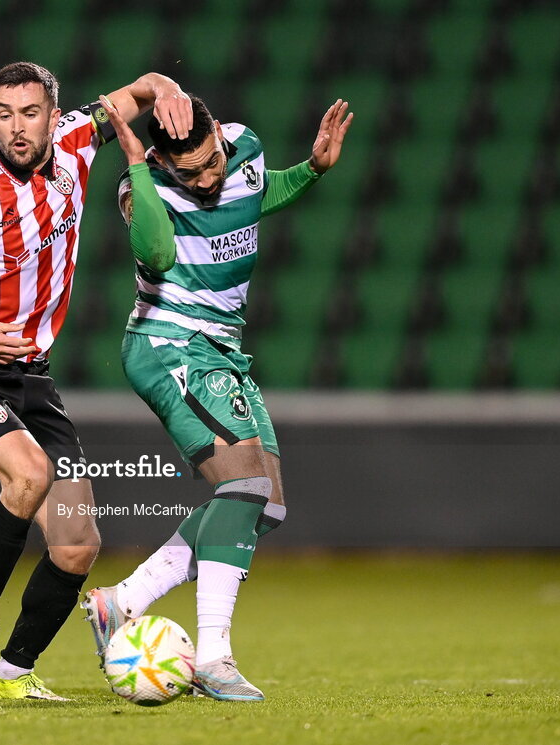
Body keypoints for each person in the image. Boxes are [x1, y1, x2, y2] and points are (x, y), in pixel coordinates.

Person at [0, 62, 192, 701]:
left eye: (30, 113)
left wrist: (163, 87)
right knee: (28, 475)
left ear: (55, 117)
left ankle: (14, 675)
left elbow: (138, 90)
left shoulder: (81, 140)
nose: (17, 127)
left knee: (78, 543)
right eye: (3, 114)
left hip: (31, 375)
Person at [82, 93, 353, 701]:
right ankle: (213, 657)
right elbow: (155, 253)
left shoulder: (246, 147)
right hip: (170, 343)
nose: (206, 179)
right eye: (191, 172)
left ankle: (120, 601)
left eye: (211, 163)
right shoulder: (140, 189)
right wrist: (135, 167)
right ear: (162, 160)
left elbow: (258, 194)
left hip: (224, 349)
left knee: (267, 507)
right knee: (244, 488)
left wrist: (310, 170)